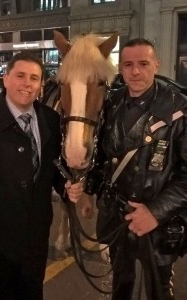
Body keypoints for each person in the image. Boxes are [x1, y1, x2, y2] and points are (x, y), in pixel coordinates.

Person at [82, 38, 187, 300]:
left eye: (143, 63)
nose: (135, 71)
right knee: (120, 284)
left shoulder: (178, 108)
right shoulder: (111, 103)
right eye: (128, 64)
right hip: (117, 216)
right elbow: (104, 158)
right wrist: (86, 187)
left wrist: (155, 211)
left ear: (156, 65)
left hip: (158, 221)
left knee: (159, 290)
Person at [0, 51, 82, 300]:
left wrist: (68, 187)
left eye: (34, 78)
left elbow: (55, 169)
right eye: (20, 76)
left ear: (41, 84)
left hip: (34, 239)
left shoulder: (51, 120)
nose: (27, 84)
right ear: (6, 79)